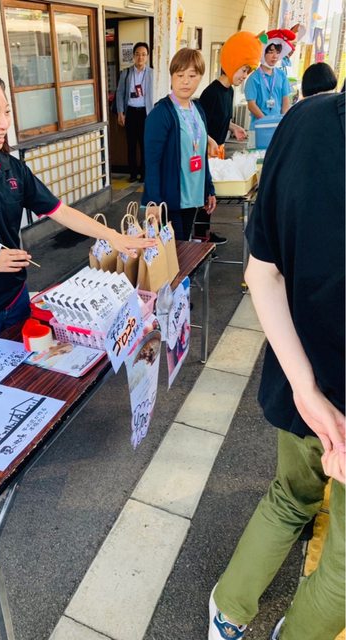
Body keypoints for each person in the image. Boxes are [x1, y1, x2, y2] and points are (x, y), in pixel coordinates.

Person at [208, 92, 345, 640]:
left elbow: (261, 272)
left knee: (290, 496)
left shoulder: (306, 122)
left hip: (299, 379)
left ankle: (228, 610)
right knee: (344, 566)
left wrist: (306, 390)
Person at [0, 66, 155, 365]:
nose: (4, 123)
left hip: (17, 301)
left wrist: (112, 236)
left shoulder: (11, 168)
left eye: (7, 112)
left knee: (24, 375)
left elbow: (59, 211)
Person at [143, 48, 216, 241]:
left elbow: (201, 154)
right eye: (180, 75)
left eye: (192, 75)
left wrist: (209, 189)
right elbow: (152, 162)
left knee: (184, 246)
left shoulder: (197, 109)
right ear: (172, 77)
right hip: (170, 200)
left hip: (193, 196)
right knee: (175, 250)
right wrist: (154, 201)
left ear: (200, 77)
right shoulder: (161, 114)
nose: (185, 81)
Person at [196, 31, 262, 244]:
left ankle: (205, 234)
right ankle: (199, 237)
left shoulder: (230, 91)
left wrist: (233, 127)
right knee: (203, 196)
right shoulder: (211, 93)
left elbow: (221, 118)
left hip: (219, 149)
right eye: (244, 70)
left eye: (247, 72)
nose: (244, 76)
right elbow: (198, 125)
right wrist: (209, 141)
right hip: (205, 152)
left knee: (211, 197)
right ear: (232, 63)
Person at [116, 42, 154, 182]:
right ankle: (132, 174)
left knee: (145, 145)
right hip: (130, 112)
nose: (140, 57)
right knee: (131, 145)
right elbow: (119, 93)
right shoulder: (126, 73)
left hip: (146, 113)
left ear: (147, 57)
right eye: (137, 54)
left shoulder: (152, 73)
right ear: (133, 56)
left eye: (143, 54)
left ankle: (144, 174)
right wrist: (120, 112)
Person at [245, 29, 295, 127]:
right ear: (263, 52)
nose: (275, 56)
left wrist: (282, 121)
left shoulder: (282, 75)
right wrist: (266, 122)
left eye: (277, 52)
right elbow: (251, 105)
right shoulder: (253, 78)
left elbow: (285, 99)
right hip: (258, 127)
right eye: (271, 52)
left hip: (277, 125)